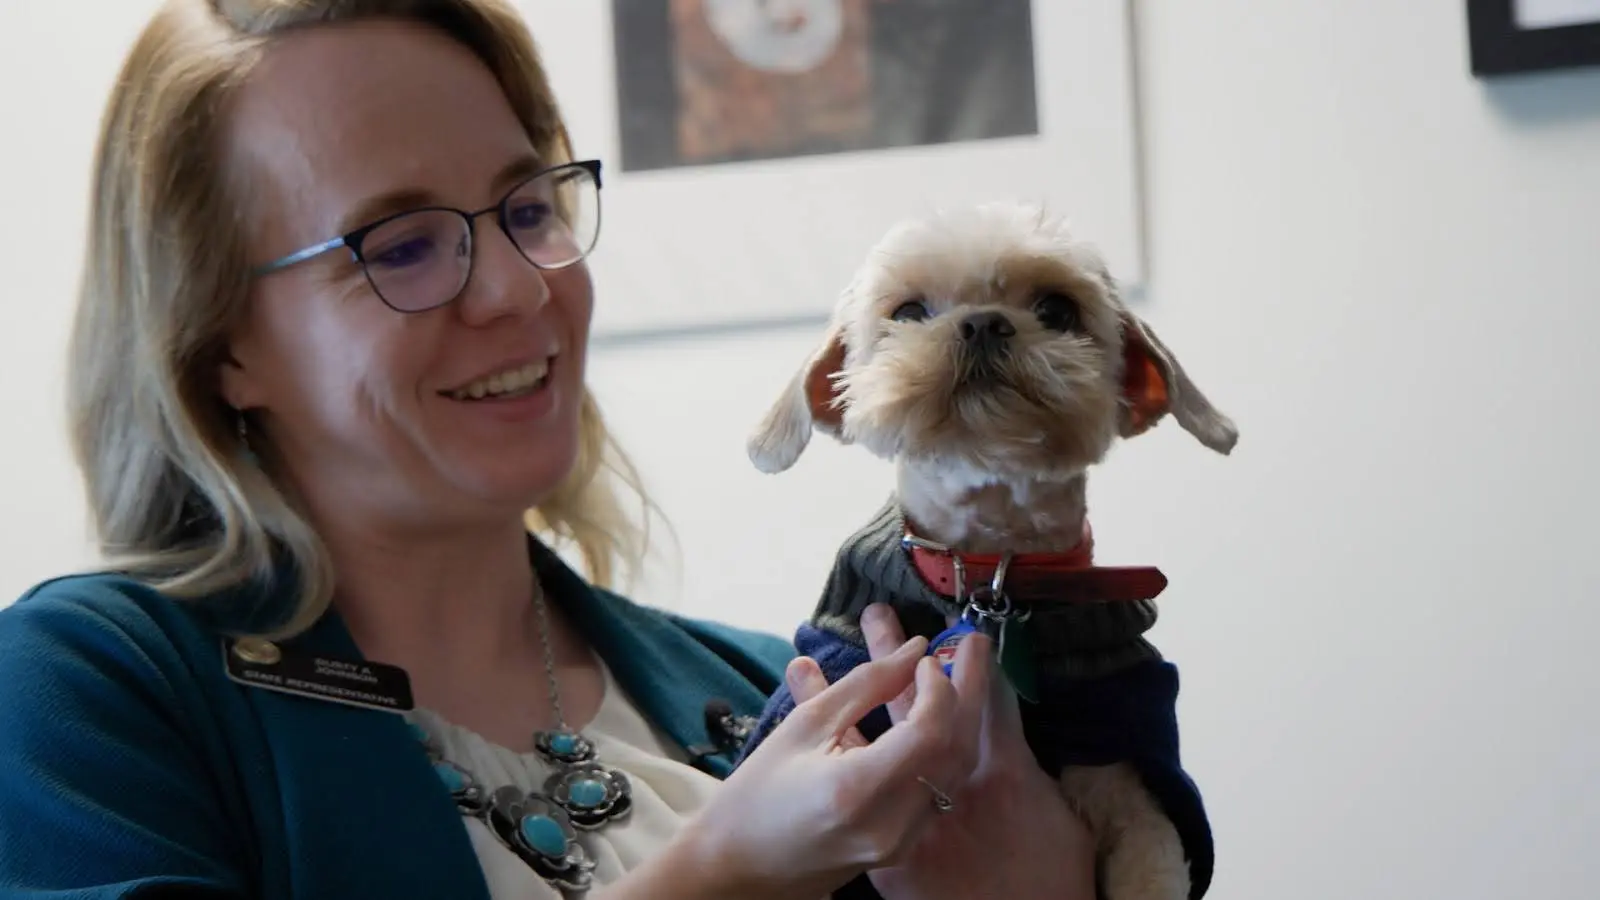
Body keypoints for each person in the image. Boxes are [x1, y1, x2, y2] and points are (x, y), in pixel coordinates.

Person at [0, 2, 1207, 898]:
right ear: (219, 344)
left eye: (528, 209)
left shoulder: (786, 696)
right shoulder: (87, 691)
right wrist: (722, 879)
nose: (519, 289)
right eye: (404, 244)